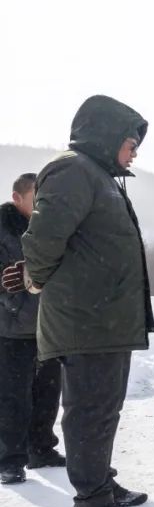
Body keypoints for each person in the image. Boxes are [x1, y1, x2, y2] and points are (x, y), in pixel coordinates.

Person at [4, 96, 154, 507]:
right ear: (107, 136)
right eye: (130, 142)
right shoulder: (72, 170)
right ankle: (90, 501)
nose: (135, 152)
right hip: (85, 319)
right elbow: (45, 237)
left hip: (107, 319)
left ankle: (101, 482)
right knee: (89, 410)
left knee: (105, 409)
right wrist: (34, 278)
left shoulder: (100, 176)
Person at [0, 173, 64, 485]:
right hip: (11, 328)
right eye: (35, 197)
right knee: (13, 396)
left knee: (49, 391)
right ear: (18, 198)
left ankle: (41, 448)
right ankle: (10, 459)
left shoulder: (50, 227)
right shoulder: (3, 229)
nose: (42, 203)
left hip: (48, 325)